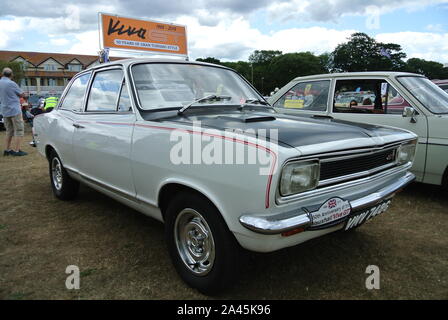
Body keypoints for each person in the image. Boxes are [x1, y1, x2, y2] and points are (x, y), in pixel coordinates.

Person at [0, 67, 27, 156]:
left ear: (2, 74)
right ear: (11, 75)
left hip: (4, 109)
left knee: (9, 130)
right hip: (14, 110)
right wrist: (25, 94)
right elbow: (22, 94)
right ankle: (17, 150)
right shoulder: (12, 83)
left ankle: (7, 150)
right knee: (19, 129)